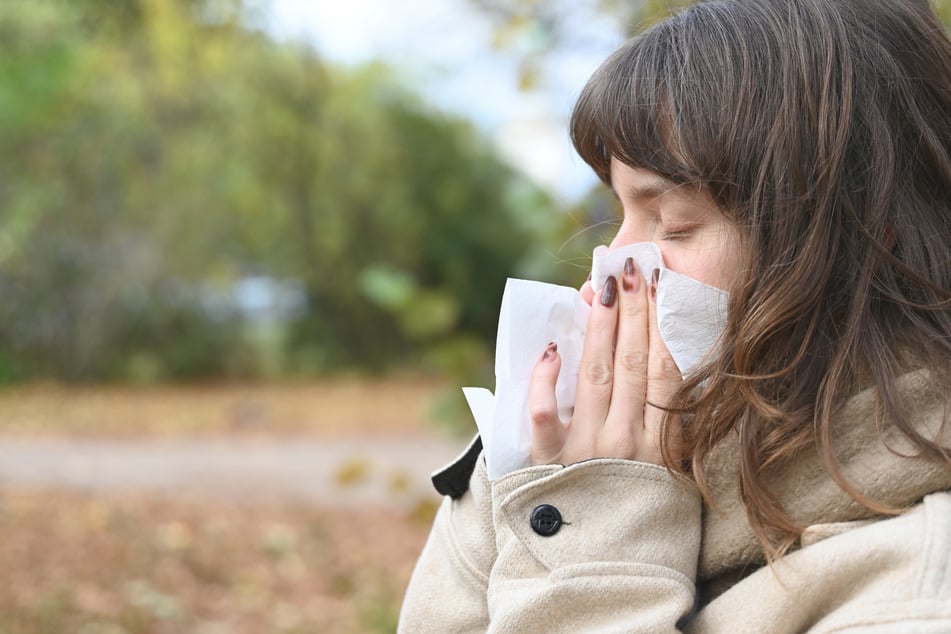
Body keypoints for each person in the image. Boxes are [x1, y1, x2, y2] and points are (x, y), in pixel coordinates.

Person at [399, 0, 951, 630]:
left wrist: (598, 534)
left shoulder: (916, 586)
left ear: (865, 240)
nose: (607, 272)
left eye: (675, 223)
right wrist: (547, 494)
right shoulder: (535, 463)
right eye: (621, 214)